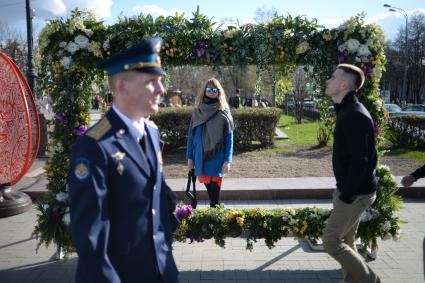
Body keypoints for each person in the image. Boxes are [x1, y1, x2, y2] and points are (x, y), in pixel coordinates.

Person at [68, 38, 179, 283]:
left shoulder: (151, 132)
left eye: (160, 80)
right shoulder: (93, 145)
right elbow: (90, 237)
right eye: (152, 82)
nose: (161, 89)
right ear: (122, 86)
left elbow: (155, 209)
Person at [322, 64, 381, 283]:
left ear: (344, 84)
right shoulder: (347, 110)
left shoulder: (354, 114)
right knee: (347, 240)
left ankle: (371, 280)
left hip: (355, 194)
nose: (328, 81)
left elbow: (361, 161)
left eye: (333, 77)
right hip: (354, 190)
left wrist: (345, 195)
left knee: (331, 241)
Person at [186, 78, 234, 207]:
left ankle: (215, 219)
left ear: (219, 92)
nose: (212, 92)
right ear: (204, 91)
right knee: (211, 194)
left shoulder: (223, 110)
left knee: (214, 196)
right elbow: (191, 136)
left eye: (215, 90)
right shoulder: (197, 111)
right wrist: (190, 157)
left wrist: (228, 160)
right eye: (209, 89)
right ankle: (216, 218)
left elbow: (229, 138)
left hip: (217, 157)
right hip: (201, 156)